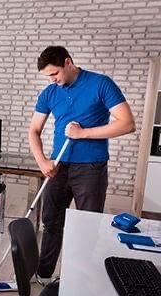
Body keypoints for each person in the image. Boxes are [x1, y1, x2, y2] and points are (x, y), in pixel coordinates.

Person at [28, 46, 135, 282]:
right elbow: (34, 130)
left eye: (55, 73)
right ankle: (44, 275)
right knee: (51, 222)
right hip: (58, 166)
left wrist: (84, 133)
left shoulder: (101, 84)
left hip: (90, 168)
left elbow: (127, 123)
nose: (52, 79)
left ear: (68, 62)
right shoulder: (50, 92)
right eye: (48, 76)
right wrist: (42, 161)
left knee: (87, 225)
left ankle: (75, 280)